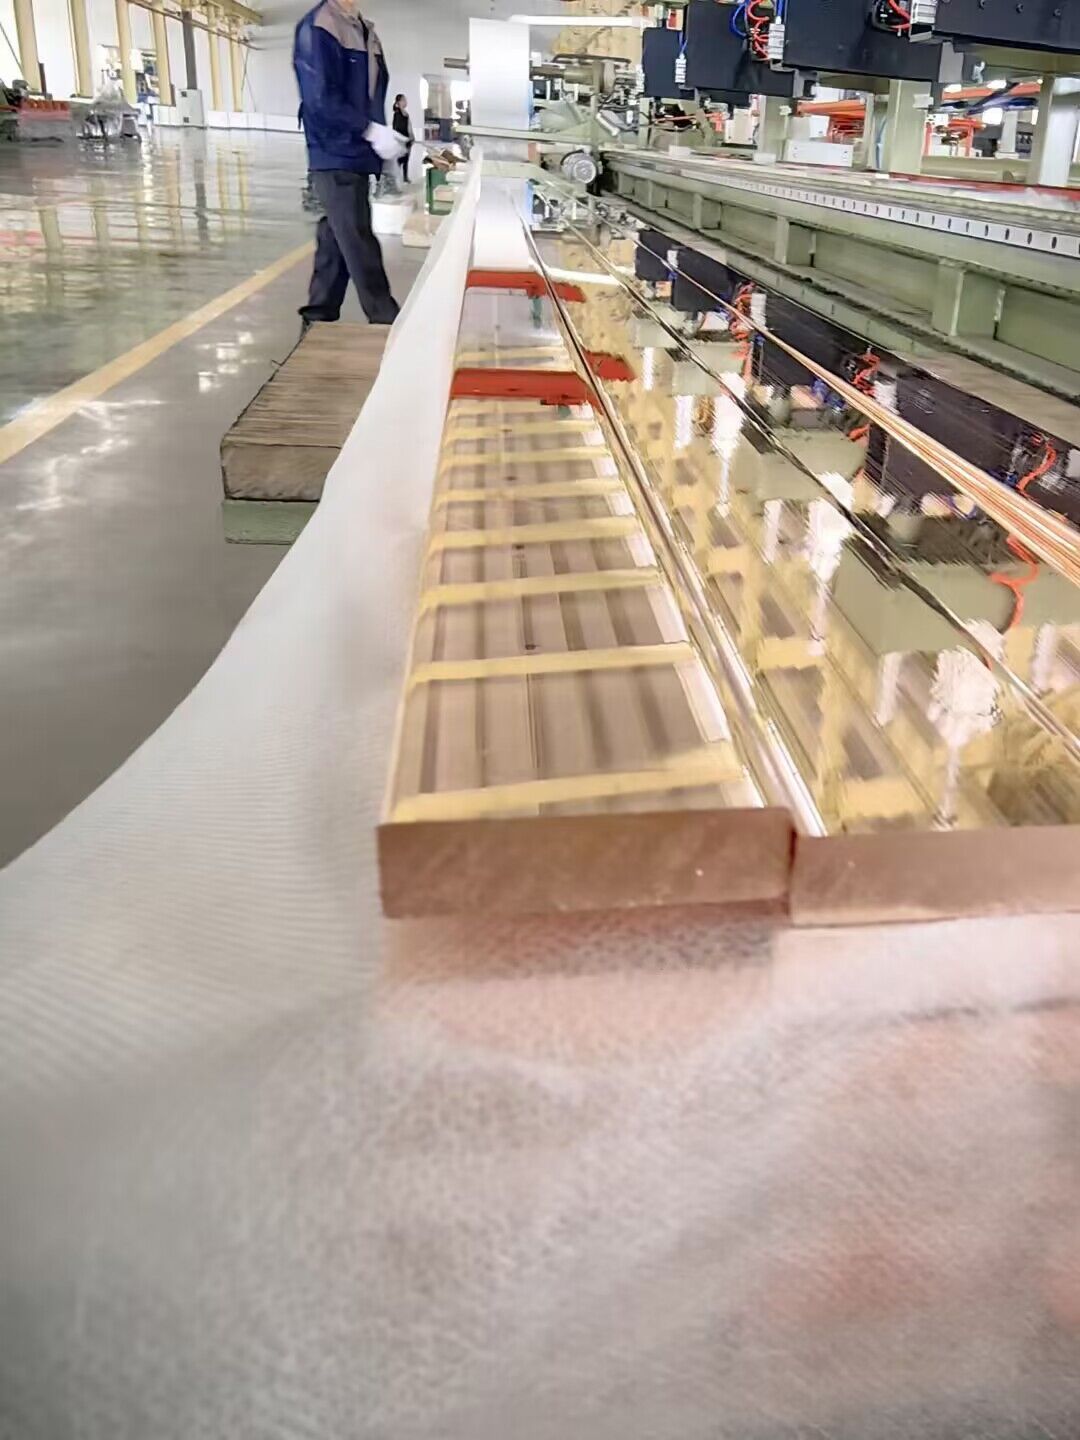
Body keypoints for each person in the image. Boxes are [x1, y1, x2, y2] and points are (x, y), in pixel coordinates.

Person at [293, 0, 405, 327]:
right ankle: (386, 320)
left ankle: (319, 314)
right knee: (356, 236)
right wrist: (368, 130)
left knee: (336, 234)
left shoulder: (364, 30)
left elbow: (371, 93)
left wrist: (380, 139)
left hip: (357, 150)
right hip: (334, 149)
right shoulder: (321, 27)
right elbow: (320, 98)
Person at [391, 92, 412, 186]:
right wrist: (400, 139)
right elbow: (396, 128)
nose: (405, 102)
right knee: (399, 159)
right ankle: (394, 179)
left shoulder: (406, 114)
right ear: (398, 102)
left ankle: (405, 177)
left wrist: (411, 137)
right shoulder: (397, 114)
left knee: (406, 159)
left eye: (405, 100)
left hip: (407, 139)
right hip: (400, 140)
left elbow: (409, 126)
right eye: (403, 100)